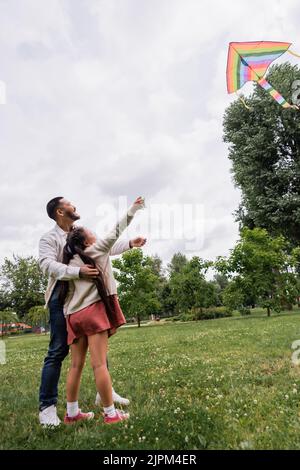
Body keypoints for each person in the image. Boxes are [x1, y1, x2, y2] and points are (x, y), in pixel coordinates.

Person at [38, 197, 146, 426]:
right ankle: (48, 407)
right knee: (59, 352)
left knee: (85, 360)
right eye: (69, 204)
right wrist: (78, 273)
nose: (74, 205)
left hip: (74, 308)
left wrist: (128, 244)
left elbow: (104, 245)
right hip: (65, 299)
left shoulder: (78, 234)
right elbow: (46, 264)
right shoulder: (49, 238)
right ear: (59, 211)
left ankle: (91, 400)